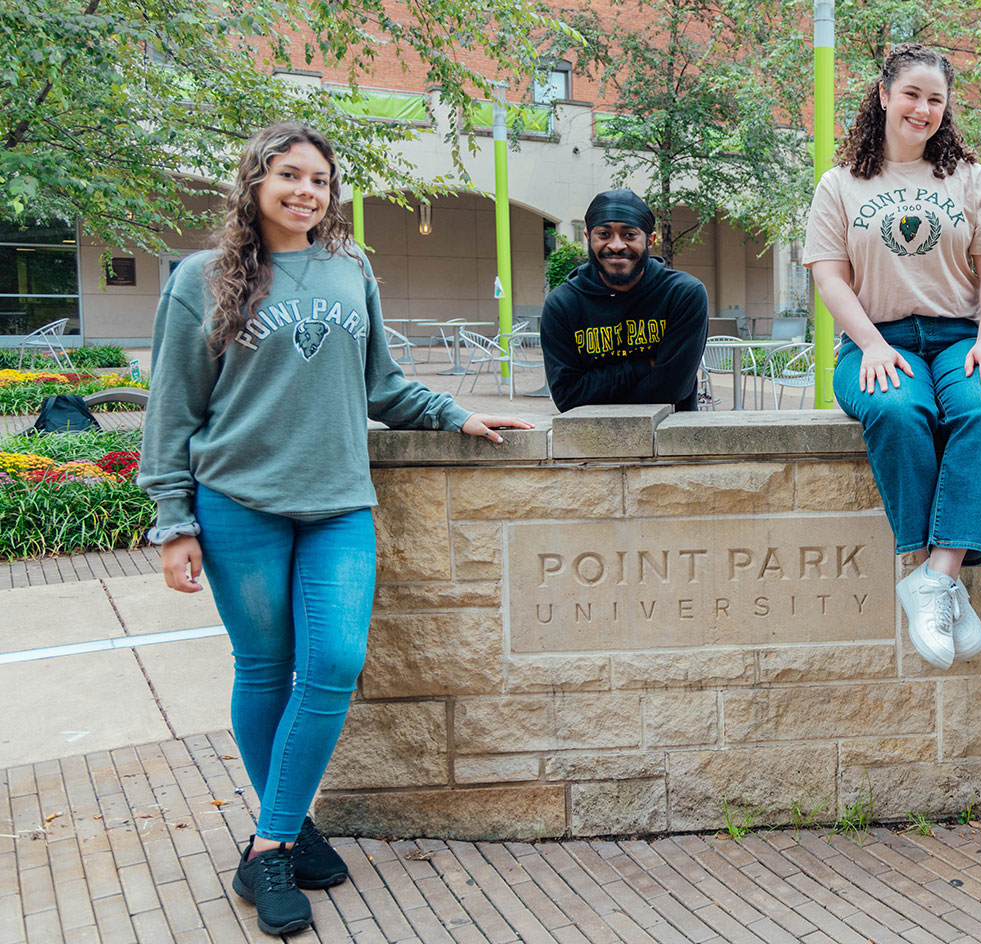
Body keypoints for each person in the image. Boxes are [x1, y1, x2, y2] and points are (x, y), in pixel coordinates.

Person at [138, 123, 533, 937]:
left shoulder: (351, 270)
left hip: (339, 502)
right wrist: (174, 522)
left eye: (319, 180)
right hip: (238, 501)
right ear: (255, 181)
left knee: (335, 663)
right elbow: (172, 408)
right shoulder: (200, 280)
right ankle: (288, 835)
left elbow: (382, 384)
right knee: (265, 669)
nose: (306, 192)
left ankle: (267, 844)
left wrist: (454, 414)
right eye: (290, 175)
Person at [803, 42, 981, 670]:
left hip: (960, 337)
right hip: (877, 339)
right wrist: (871, 343)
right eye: (911, 95)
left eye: (935, 99)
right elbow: (829, 276)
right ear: (883, 95)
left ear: (945, 108)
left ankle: (936, 577)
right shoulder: (840, 184)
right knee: (898, 410)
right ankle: (939, 584)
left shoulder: (969, 178)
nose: (922, 109)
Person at [539, 189, 709, 412]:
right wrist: (645, 365)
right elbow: (567, 397)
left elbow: (672, 389)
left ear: (650, 240)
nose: (616, 245)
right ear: (588, 238)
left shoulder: (682, 294)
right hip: (589, 433)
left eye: (629, 235)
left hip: (669, 431)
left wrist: (593, 387)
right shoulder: (563, 304)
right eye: (604, 234)